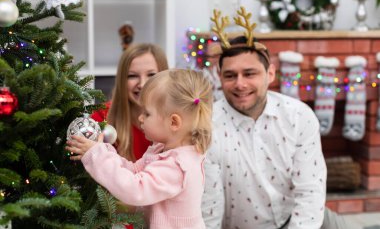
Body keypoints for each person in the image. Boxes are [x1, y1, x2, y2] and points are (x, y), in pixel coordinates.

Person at [201, 31, 350, 229]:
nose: (240, 84)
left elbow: (310, 191)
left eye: (249, 73)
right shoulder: (206, 126)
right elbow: (209, 207)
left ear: (270, 74)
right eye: (230, 75)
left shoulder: (298, 116)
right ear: (219, 77)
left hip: (299, 218)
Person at [67, 69, 213, 229]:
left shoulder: (177, 166)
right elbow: (134, 171)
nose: (140, 118)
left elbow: (135, 189)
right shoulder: (161, 150)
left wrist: (97, 155)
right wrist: (103, 151)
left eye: (147, 113)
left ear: (174, 123)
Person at [91, 43, 168, 160]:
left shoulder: (177, 121)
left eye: (151, 75)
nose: (142, 84)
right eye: (132, 76)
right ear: (122, 80)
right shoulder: (102, 117)